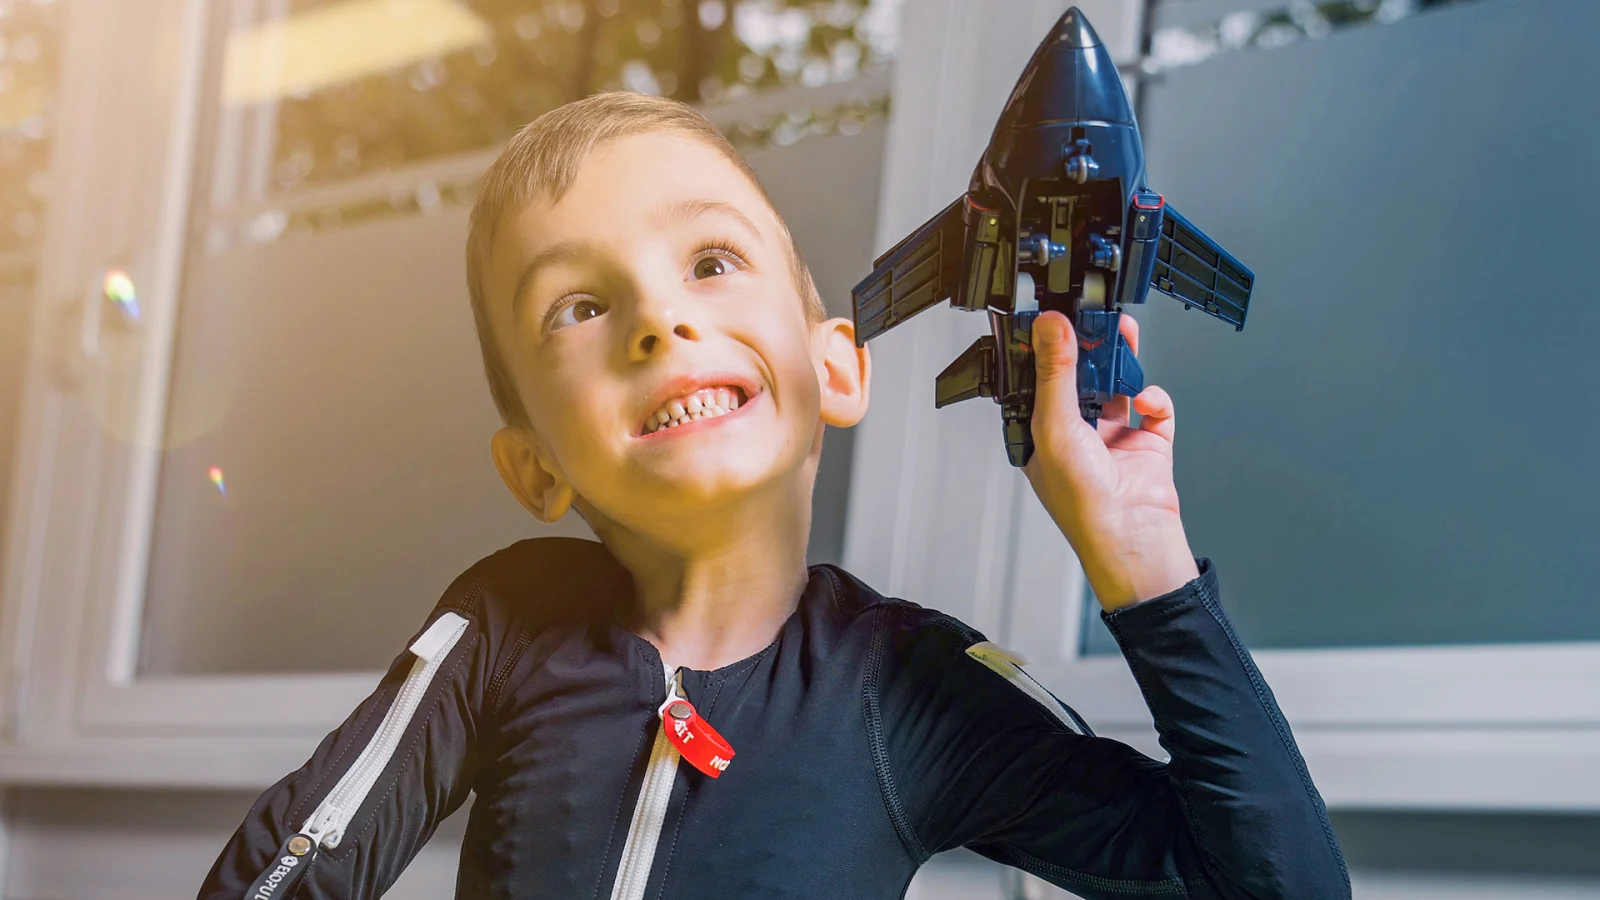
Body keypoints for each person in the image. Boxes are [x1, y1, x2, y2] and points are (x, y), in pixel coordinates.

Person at [198, 92, 1349, 900]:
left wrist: (1143, 567)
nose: (659, 320)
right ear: (535, 467)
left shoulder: (907, 686)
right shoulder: (505, 623)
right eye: (578, 308)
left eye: (708, 262)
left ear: (836, 368)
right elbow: (288, 869)